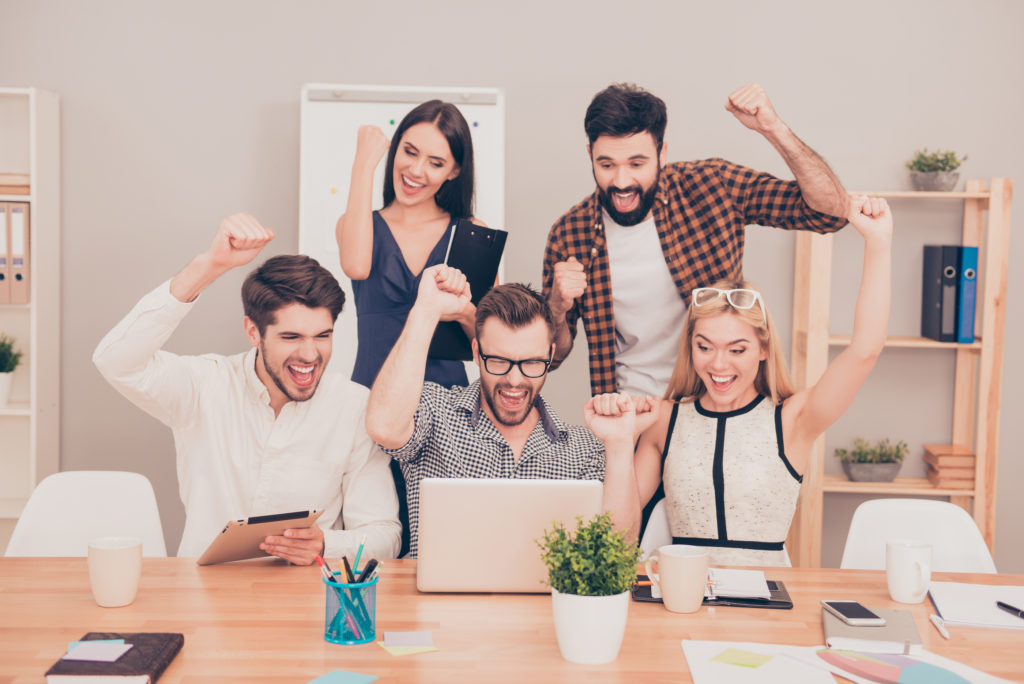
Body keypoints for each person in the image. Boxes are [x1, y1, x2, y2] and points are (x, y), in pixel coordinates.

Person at [93, 214, 401, 564]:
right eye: (291, 337)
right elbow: (115, 360)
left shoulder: (354, 407)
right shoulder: (204, 386)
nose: (310, 354)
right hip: (202, 598)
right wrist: (209, 265)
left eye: (323, 336)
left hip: (301, 603)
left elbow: (385, 535)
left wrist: (325, 544)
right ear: (253, 332)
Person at [613, 196, 892, 567]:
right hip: (683, 602)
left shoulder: (794, 419)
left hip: (766, 608)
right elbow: (617, 536)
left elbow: (865, 350)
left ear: (763, 349)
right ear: (690, 347)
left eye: (737, 349)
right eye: (705, 346)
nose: (718, 364)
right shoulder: (664, 420)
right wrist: (619, 441)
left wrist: (878, 242)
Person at [544, 82, 851, 398]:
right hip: (634, 414)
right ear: (589, 154)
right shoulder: (570, 233)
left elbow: (831, 214)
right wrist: (556, 306)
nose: (622, 182)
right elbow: (551, 356)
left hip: (719, 404)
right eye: (606, 165)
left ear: (662, 153)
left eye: (637, 164)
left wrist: (773, 129)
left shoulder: (712, 185)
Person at [365, 266, 655, 557]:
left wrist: (619, 444)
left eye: (531, 363)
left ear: (550, 356)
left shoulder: (583, 450)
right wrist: (426, 310)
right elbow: (384, 427)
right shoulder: (436, 413)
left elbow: (617, 551)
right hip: (439, 602)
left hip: (544, 603)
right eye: (500, 361)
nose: (515, 381)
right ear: (477, 353)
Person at [336, 99, 480, 390]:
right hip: (369, 398)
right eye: (409, 152)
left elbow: (491, 344)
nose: (415, 170)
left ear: (454, 171)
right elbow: (355, 266)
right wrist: (363, 164)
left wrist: (463, 310)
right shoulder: (358, 224)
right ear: (396, 147)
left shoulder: (471, 234)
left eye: (435, 163)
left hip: (448, 409)